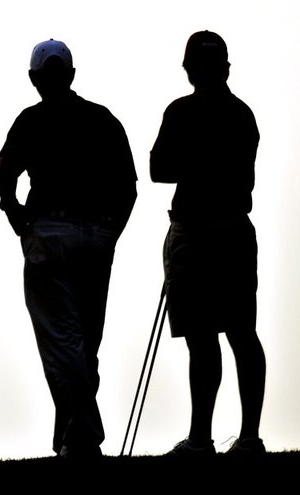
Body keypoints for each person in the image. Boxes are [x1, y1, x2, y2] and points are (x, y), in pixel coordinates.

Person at [0, 39, 138, 460]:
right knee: (84, 341)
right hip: (96, 234)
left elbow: (4, 170)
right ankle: (71, 437)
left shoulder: (31, 120)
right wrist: (113, 231)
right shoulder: (102, 119)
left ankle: (84, 431)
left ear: (34, 78)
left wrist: (13, 211)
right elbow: (127, 187)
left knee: (63, 342)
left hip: (49, 232)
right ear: (71, 76)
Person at [151, 30, 267, 457]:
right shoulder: (242, 115)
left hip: (197, 232)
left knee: (205, 338)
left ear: (188, 70)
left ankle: (203, 438)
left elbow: (160, 168)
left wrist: (193, 159)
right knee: (240, 333)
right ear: (226, 69)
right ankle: (247, 436)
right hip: (233, 230)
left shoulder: (180, 112)